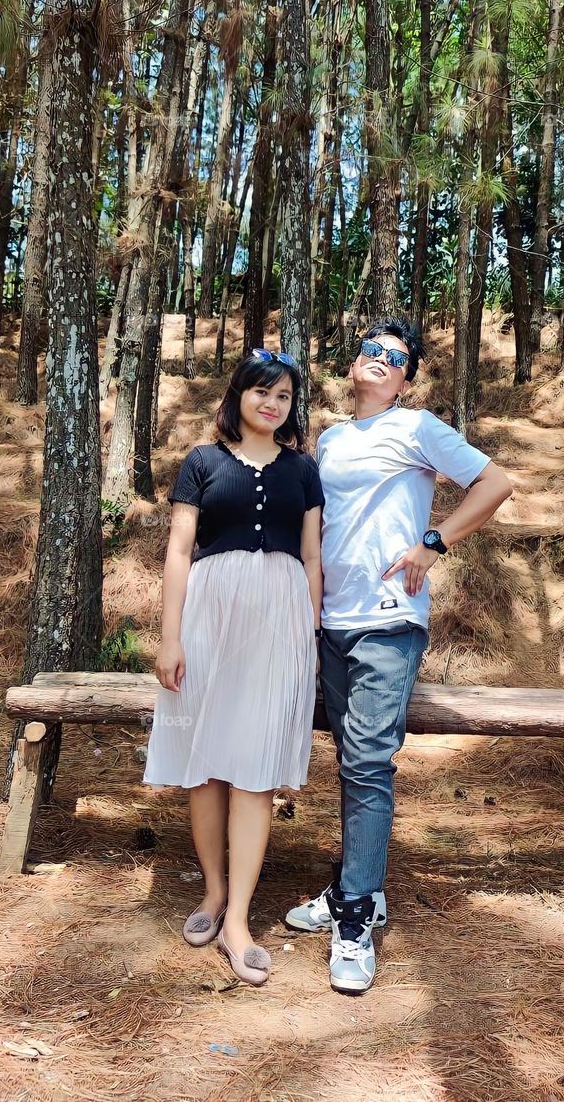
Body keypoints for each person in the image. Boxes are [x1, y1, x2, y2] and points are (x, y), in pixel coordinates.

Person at [285, 317, 514, 993]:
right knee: (349, 763)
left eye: (395, 358)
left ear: (407, 378)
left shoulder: (416, 429)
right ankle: (358, 888)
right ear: (354, 364)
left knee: (367, 762)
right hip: (331, 622)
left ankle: (354, 920)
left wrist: (433, 544)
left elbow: (496, 484)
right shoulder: (331, 440)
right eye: (371, 351)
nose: (380, 361)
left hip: (388, 622)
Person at [144, 348, 324, 987]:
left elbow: (310, 556)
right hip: (209, 621)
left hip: (278, 627)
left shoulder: (303, 469)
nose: (272, 404)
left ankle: (240, 921)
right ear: (238, 396)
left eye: (283, 396)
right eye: (262, 392)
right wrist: (170, 638)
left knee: (254, 774)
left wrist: (307, 632)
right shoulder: (202, 462)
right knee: (206, 767)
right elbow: (179, 550)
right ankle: (213, 894)